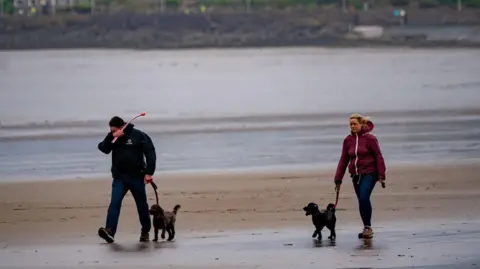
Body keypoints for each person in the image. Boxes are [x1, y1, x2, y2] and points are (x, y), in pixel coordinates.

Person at [97, 116, 156, 243]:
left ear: (122, 126)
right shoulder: (113, 136)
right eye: (111, 130)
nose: (112, 132)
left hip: (137, 177)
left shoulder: (138, 135)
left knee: (142, 205)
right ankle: (110, 231)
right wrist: (112, 136)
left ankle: (145, 231)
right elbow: (103, 148)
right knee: (114, 203)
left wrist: (149, 172)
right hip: (119, 178)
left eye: (114, 130)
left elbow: (150, 152)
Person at [334, 113, 386, 239]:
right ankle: (366, 227)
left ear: (361, 124)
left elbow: (379, 156)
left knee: (363, 197)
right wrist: (338, 178)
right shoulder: (348, 140)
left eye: (354, 124)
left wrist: (381, 175)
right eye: (350, 124)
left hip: (370, 172)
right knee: (361, 201)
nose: (352, 126)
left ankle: (368, 228)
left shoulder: (370, 138)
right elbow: (344, 159)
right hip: (355, 175)